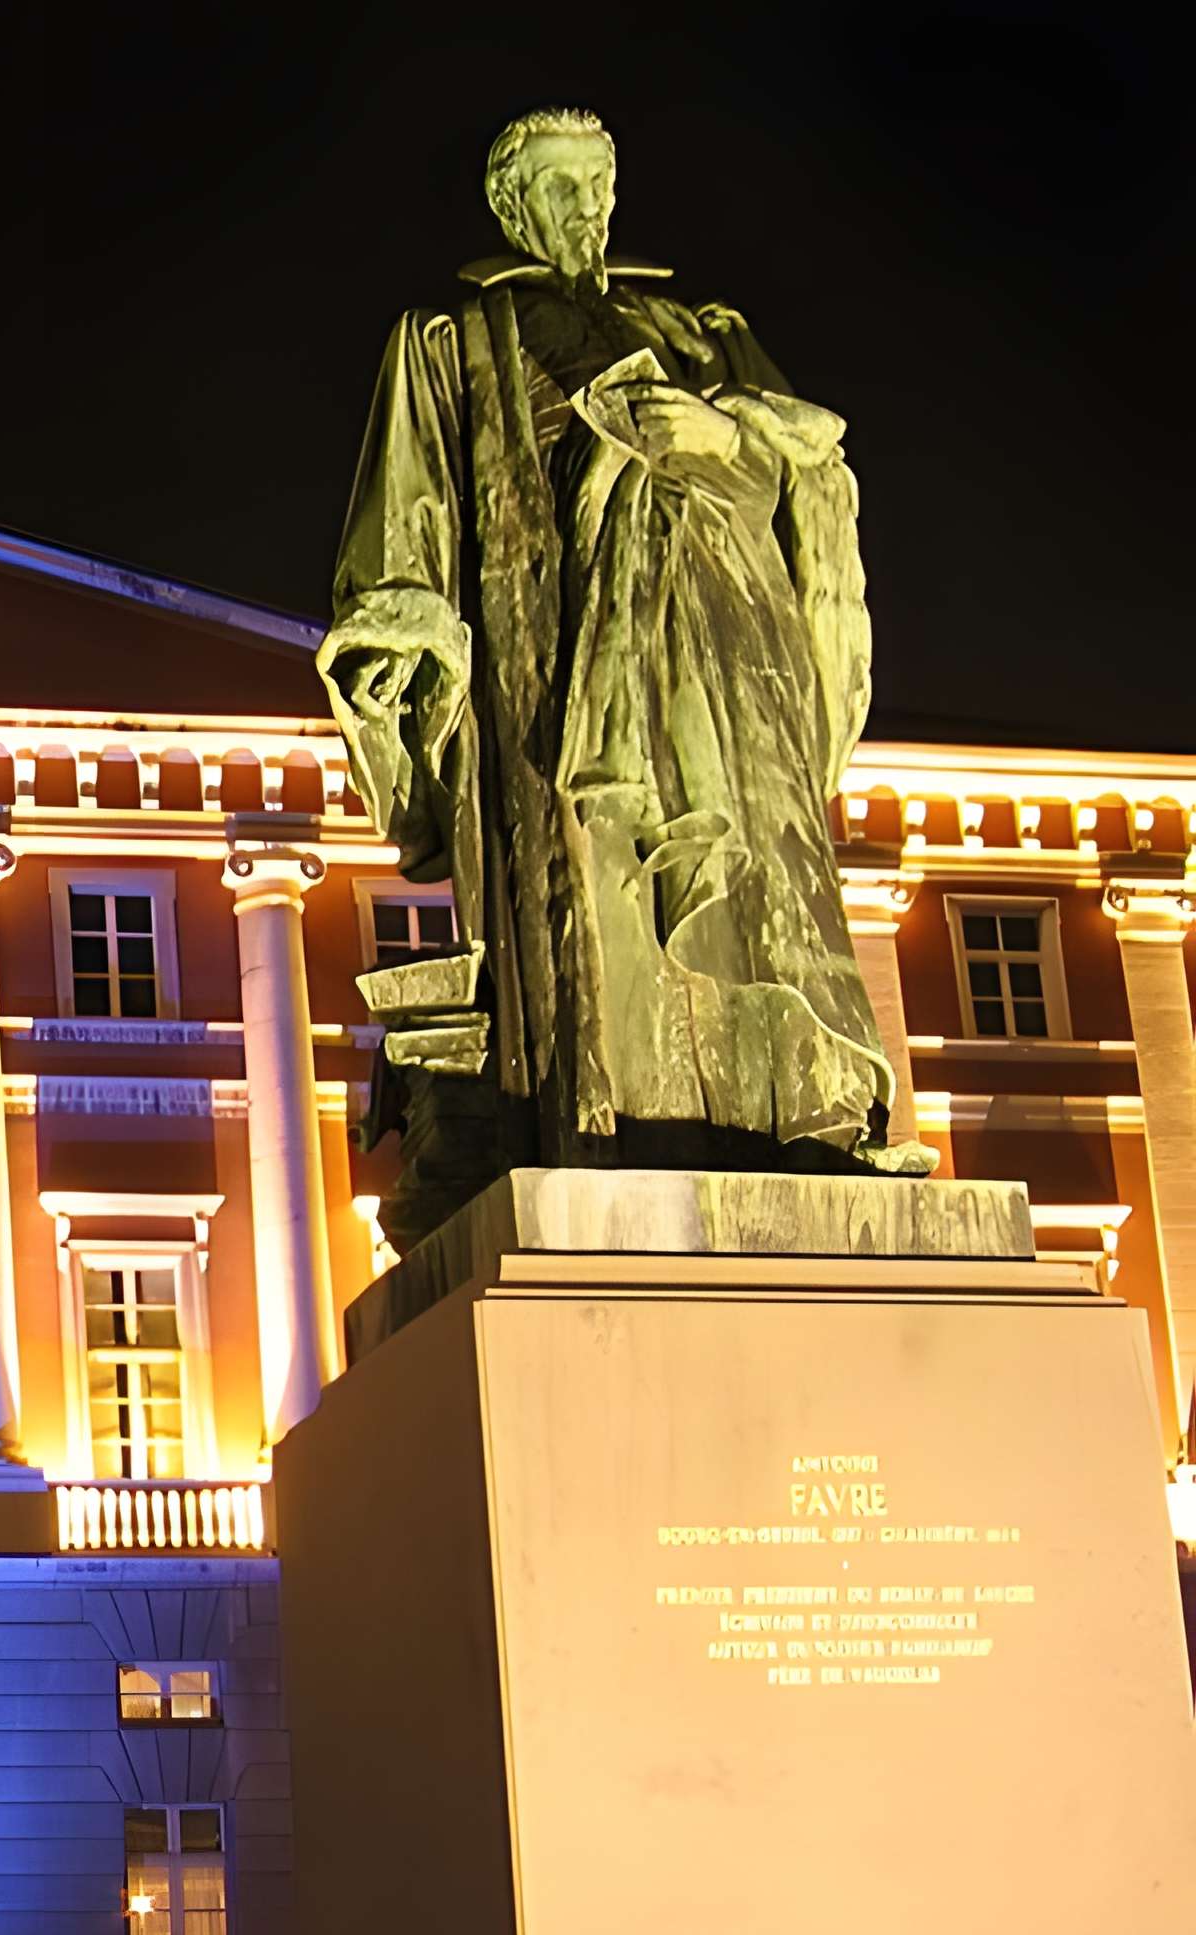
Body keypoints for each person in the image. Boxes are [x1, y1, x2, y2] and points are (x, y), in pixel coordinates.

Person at [320, 108, 920, 1237]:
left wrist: (719, 440)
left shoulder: (699, 329)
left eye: (596, 185)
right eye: (556, 188)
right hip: (557, 658)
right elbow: (402, 523)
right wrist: (397, 648)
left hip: (726, 629)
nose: (583, 209)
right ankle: (609, 1132)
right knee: (588, 896)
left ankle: (810, 1117)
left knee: (769, 870)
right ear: (511, 206)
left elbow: (811, 470)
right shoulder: (452, 336)